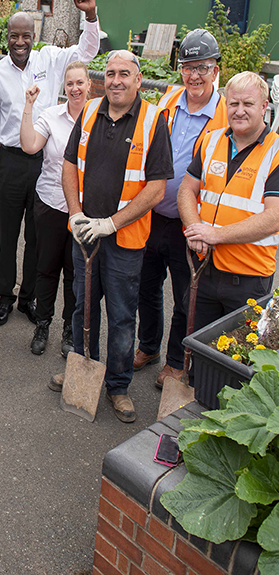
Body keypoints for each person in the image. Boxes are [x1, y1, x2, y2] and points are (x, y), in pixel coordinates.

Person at [51, 50, 173, 423]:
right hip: (86, 234)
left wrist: (112, 223)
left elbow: (156, 188)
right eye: (111, 73)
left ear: (139, 79)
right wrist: (75, 214)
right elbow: (69, 165)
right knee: (82, 306)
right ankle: (82, 367)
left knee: (121, 316)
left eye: (125, 74)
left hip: (125, 241)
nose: (116, 80)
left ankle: (118, 386)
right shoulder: (89, 111)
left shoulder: (152, 121)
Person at [0, 0, 101, 328]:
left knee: (37, 238)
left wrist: (91, 15)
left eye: (25, 36)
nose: (20, 41)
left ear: (34, 38)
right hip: (9, 161)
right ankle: (5, 297)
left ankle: (28, 299)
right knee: (8, 237)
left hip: (43, 162)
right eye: (13, 36)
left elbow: (87, 51)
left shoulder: (51, 59)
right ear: (6, 38)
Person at [134, 30, 227, 388]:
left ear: (215, 70)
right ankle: (148, 347)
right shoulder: (170, 99)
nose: (194, 76)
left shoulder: (223, 114)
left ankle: (176, 362)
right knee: (147, 286)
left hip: (191, 224)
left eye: (202, 67)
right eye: (188, 67)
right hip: (153, 213)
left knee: (186, 297)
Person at [178, 71, 279, 334]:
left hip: (248, 277)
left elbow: (274, 217)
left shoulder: (275, 152)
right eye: (233, 103)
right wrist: (194, 228)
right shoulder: (211, 141)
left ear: (264, 106)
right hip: (205, 268)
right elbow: (187, 189)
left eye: (248, 104)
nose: (239, 111)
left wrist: (215, 234)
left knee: (234, 360)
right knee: (197, 351)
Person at [19, 61, 91, 356]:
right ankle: (43, 324)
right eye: (70, 83)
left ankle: (70, 330)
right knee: (46, 268)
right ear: (64, 87)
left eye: (80, 83)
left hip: (84, 211)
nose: (75, 88)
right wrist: (28, 106)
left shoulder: (99, 118)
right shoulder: (51, 115)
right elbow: (29, 146)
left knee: (75, 273)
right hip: (49, 203)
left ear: (89, 86)